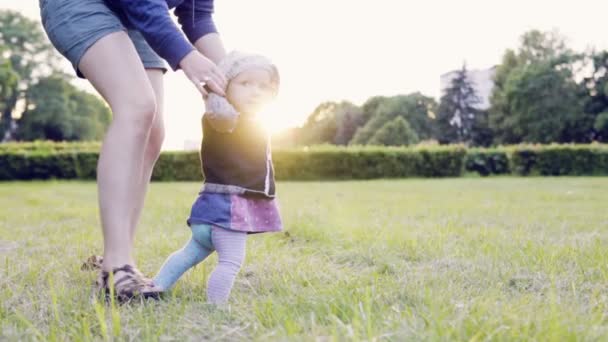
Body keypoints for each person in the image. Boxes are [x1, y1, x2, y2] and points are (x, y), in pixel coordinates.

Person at [38, 0, 227, 301]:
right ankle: (116, 268)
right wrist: (187, 57)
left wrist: (234, 73)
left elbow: (197, 15)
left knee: (153, 133)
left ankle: (117, 251)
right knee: (137, 105)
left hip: (136, 15)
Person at [151, 51, 283, 304]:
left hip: (209, 212)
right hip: (228, 211)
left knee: (191, 252)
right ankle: (216, 308)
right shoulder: (223, 118)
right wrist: (213, 94)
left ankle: (157, 285)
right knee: (231, 261)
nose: (256, 92)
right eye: (246, 83)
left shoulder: (252, 121)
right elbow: (219, 115)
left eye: (264, 86)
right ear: (225, 85)